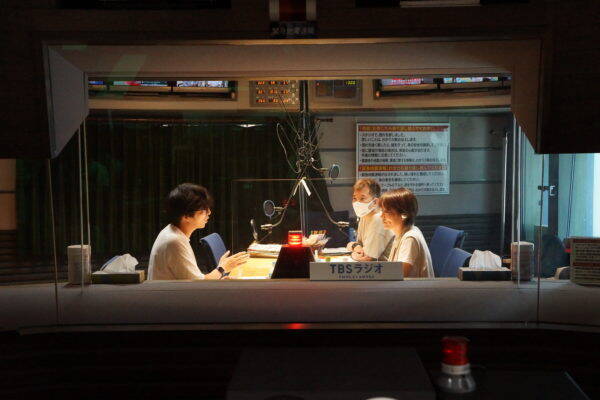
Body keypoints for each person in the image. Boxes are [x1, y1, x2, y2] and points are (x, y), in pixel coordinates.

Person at [148, 183, 248, 280]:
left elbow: (194, 281)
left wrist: (219, 278)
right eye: (203, 210)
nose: (209, 212)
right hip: (173, 292)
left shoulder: (172, 232)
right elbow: (197, 285)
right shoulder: (174, 241)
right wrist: (222, 268)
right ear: (186, 216)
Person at [380, 187, 434, 278]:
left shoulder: (410, 238)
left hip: (413, 287)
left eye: (387, 212)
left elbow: (399, 275)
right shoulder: (403, 232)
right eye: (382, 211)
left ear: (404, 214)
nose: (382, 216)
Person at [346, 178, 394, 261]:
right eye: (354, 198)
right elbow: (358, 246)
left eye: (362, 198)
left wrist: (353, 253)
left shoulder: (378, 219)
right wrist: (354, 246)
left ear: (375, 202)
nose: (357, 203)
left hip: (384, 268)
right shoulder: (364, 216)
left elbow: (367, 258)